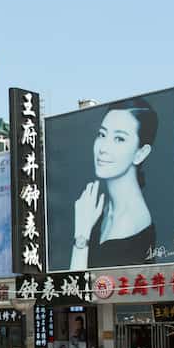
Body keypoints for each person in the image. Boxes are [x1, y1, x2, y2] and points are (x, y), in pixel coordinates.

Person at [69, 98, 159, 270]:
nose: (103, 148)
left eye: (119, 139)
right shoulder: (98, 209)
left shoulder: (135, 225)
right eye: (102, 135)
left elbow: (79, 292)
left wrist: (81, 237)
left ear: (141, 153)